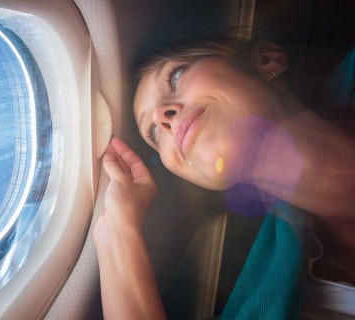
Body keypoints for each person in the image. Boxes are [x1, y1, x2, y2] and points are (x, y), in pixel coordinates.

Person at [93, 36, 355, 319]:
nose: (161, 117)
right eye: (154, 134)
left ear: (266, 60)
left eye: (176, 76)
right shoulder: (277, 300)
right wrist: (118, 230)